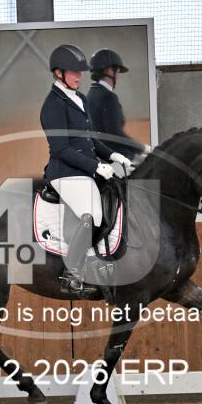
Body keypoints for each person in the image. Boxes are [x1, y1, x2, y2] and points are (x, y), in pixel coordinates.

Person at [40, 44, 133, 294]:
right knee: (91, 215)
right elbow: (61, 149)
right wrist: (97, 167)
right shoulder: (53, 104)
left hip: (84, 172)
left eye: (80, 72)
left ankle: (97, 259)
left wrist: (113, 155)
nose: (79, 76)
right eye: (73, 72)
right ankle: (72, 274)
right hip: (64, 172)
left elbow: (89, 140)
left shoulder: (80, 98)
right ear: (58, 73)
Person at [87, 48, 147, 160]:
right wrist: (142, 148)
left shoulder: (90, 94)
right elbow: (115, 134)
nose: (118, 76)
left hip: (96, 154)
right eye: (118, 72)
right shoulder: (108, 97)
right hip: (112, 157)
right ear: (110, 71)